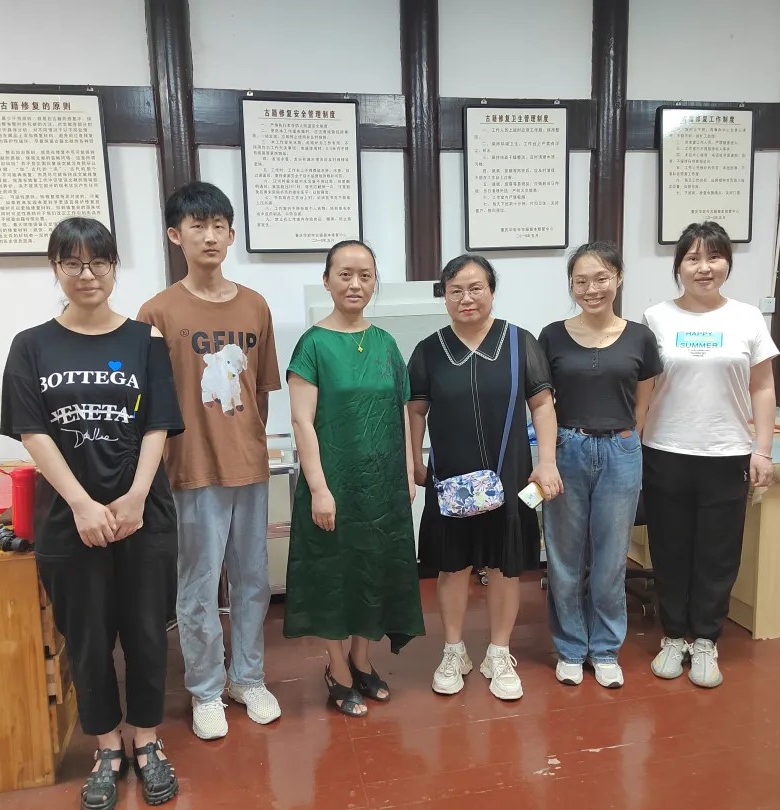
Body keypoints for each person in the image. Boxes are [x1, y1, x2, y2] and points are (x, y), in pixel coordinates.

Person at [0, 217, 183, 809]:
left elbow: (158, 424)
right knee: (87, 637)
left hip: (143, 514)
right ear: (55, 268)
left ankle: (147, 742)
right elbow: (31, 431)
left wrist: (135, 497)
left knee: (147, 632)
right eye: (72, 263)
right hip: (67, 519)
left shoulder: (145, 340)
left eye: (98, 262)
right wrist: (81, 504)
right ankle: (107, 747)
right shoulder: (31, 345)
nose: (87, 274)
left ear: (113, 267)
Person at [137, 182, 282, 740]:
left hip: (249, 466)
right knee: (198, 586)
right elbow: (149, 401)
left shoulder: (255, 306)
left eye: (219, 225)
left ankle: (248, 678)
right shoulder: (157, 311)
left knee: (253, 581)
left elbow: (260, 390)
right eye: (197, 226)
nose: (210, 236)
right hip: (190, 469)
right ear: (176, 236)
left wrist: (250, 443)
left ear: (232, 234)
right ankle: (204, 689)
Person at [407, 254, 562, 701]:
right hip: (450, 478)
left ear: (492, 291)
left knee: (503, 566)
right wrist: (413, 463)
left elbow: (542, 405)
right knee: (452, 566)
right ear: (444, 297)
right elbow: (414, 411)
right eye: (455, 290)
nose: (466, 298)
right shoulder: (429, 350)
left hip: (508, 475)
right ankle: (453, 651)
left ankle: (499, 651)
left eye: (476, 288)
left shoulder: (519, 343)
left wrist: (546, 461)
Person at [284, 240, 425, 717]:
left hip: (383, 487)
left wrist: (406, 471)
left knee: (375, 570)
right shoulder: (313, 345)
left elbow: (402, 411)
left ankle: (363, 661)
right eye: (345, 274)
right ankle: (337, 669)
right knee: (333, 575)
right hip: (334, 485)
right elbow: (302, 422)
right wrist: (319, 488)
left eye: (365, 275)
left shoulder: (385, 343)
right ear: (327, 281)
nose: (355, 284)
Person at [641, 221, 778, 688]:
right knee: (670, 549)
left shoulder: (747, 318)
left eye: (714, 257)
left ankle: (705, 640)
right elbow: (645, 388)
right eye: (693, 258)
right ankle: (672, 636)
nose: (704, 267)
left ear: (727, 264)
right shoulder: (656, 317)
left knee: (719, 553)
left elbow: (763, 387)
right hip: (665, 449)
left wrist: (763, 450)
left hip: (727, 452)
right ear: (678, 266)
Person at [538, 242, 662, 689]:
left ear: (619, 279)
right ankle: (571, 647)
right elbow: (542, 403)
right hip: (567, 449)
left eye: (601, 278)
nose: (591, 289)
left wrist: (628, 439)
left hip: (620, 451)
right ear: (571, 285)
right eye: (581, 281)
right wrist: (547, 457)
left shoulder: (640, 337)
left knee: (611, 560)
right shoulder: (551, 336)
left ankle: (606, 649)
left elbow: (643, 399)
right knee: (564, 557)